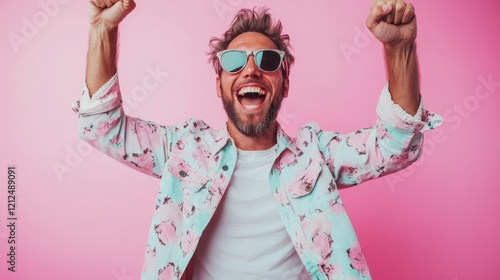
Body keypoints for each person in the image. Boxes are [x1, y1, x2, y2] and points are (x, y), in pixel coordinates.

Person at [72, 0, 442, 279]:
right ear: (219, 83)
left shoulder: (316, 156)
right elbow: (103, 127)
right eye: (234, 61)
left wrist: (400, 49)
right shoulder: (184, 151)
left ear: (284, 82)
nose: (251, 69)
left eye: (267, 60)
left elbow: (396, 146)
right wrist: (103, 29)